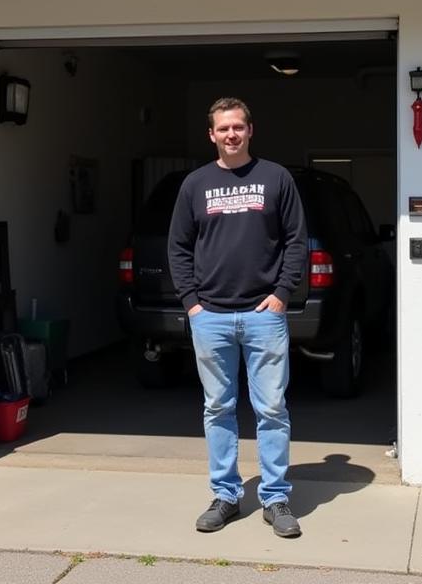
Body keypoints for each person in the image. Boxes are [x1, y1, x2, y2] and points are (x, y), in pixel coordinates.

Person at [168, 97, 307, 539]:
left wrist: (282, 294)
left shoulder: (276, 178)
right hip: (210, 316)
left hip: (264, 315)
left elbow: (296, 241)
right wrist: (192, 302)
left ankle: (275, 498)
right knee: (218, 408)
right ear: (212, 134)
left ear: (251, 130)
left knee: (271, 409)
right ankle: (226, 496)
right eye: (223, 129)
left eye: (238, 128)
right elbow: (178, 247)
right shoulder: (195, 184)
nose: (231, 135)